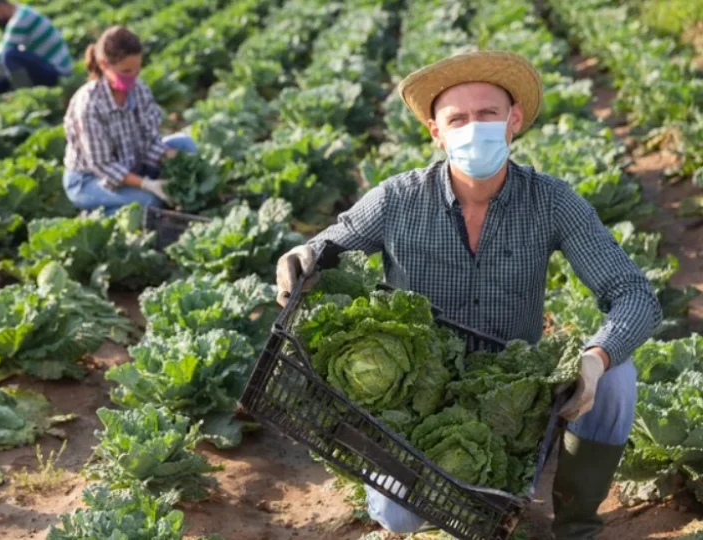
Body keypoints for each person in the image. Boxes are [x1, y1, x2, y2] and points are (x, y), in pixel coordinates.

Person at [274, 51, 662, 540]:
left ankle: (576, 523)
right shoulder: (397, 200)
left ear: (513, 120)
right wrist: (300, 255)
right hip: (417, 410)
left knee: (618, 374)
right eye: (457, 119)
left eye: (488, 115)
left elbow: (635, 294)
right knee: (402, 518)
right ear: (436, 132)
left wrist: (596, 358)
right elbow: (326, 247)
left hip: (516, 397)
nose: (472, 129)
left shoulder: (551, 201)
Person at [62, 25, 196, 215]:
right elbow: (103, 165)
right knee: (150, 202)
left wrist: (168, 155)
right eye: (125, 71)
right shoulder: (89, 104)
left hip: (132, 162)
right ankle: (95, 215)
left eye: (137, 70)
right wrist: (146, 184)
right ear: (103, 64)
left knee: (185, 146)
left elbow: (150, 140)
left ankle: (128, 198)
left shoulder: (139, 90)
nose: (133, 77)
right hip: (90, 180)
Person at [0, 0, 74, 93]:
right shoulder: (23, 11)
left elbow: (2, 52)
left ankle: (23, 92)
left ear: (0, 8)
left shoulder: (20, 21)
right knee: (6, 71)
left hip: (56, 71)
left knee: (10, 56)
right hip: (54, 64)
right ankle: (9, 88)